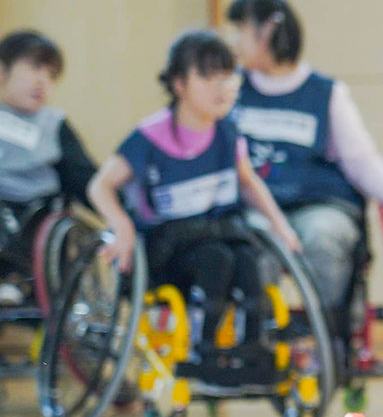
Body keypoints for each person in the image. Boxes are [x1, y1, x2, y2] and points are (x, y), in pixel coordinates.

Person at [87, 30, 301, 384]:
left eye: (228, 76)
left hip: (216, 235)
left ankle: (252, 349)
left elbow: (248, 182)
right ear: (179, 84)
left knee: (248, 260)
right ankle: (205, 349)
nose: (222, 87)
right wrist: (122, 228)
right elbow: (100, 186)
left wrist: (281, 226)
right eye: (208, 77)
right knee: (217, 257)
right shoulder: (150, 136)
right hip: (168, 248)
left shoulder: (227, 133)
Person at [224, 0, 383, 346]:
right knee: (250, 240)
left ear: (266, 31)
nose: (233, 41)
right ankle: (257, 339)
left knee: (324, 237)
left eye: (241, 29)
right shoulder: (230, 89)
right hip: (254, 206)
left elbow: (359, 158)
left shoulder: (325, 93)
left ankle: (326, 336)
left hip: (315, 205)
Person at [0, 30, 98, 304]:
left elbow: (84, 178)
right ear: (2, 71)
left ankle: (12, 276)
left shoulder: (53, 125)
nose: (42, 81)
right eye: (33, 68)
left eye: (51, 75)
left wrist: (121, 211)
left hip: (37, 214)